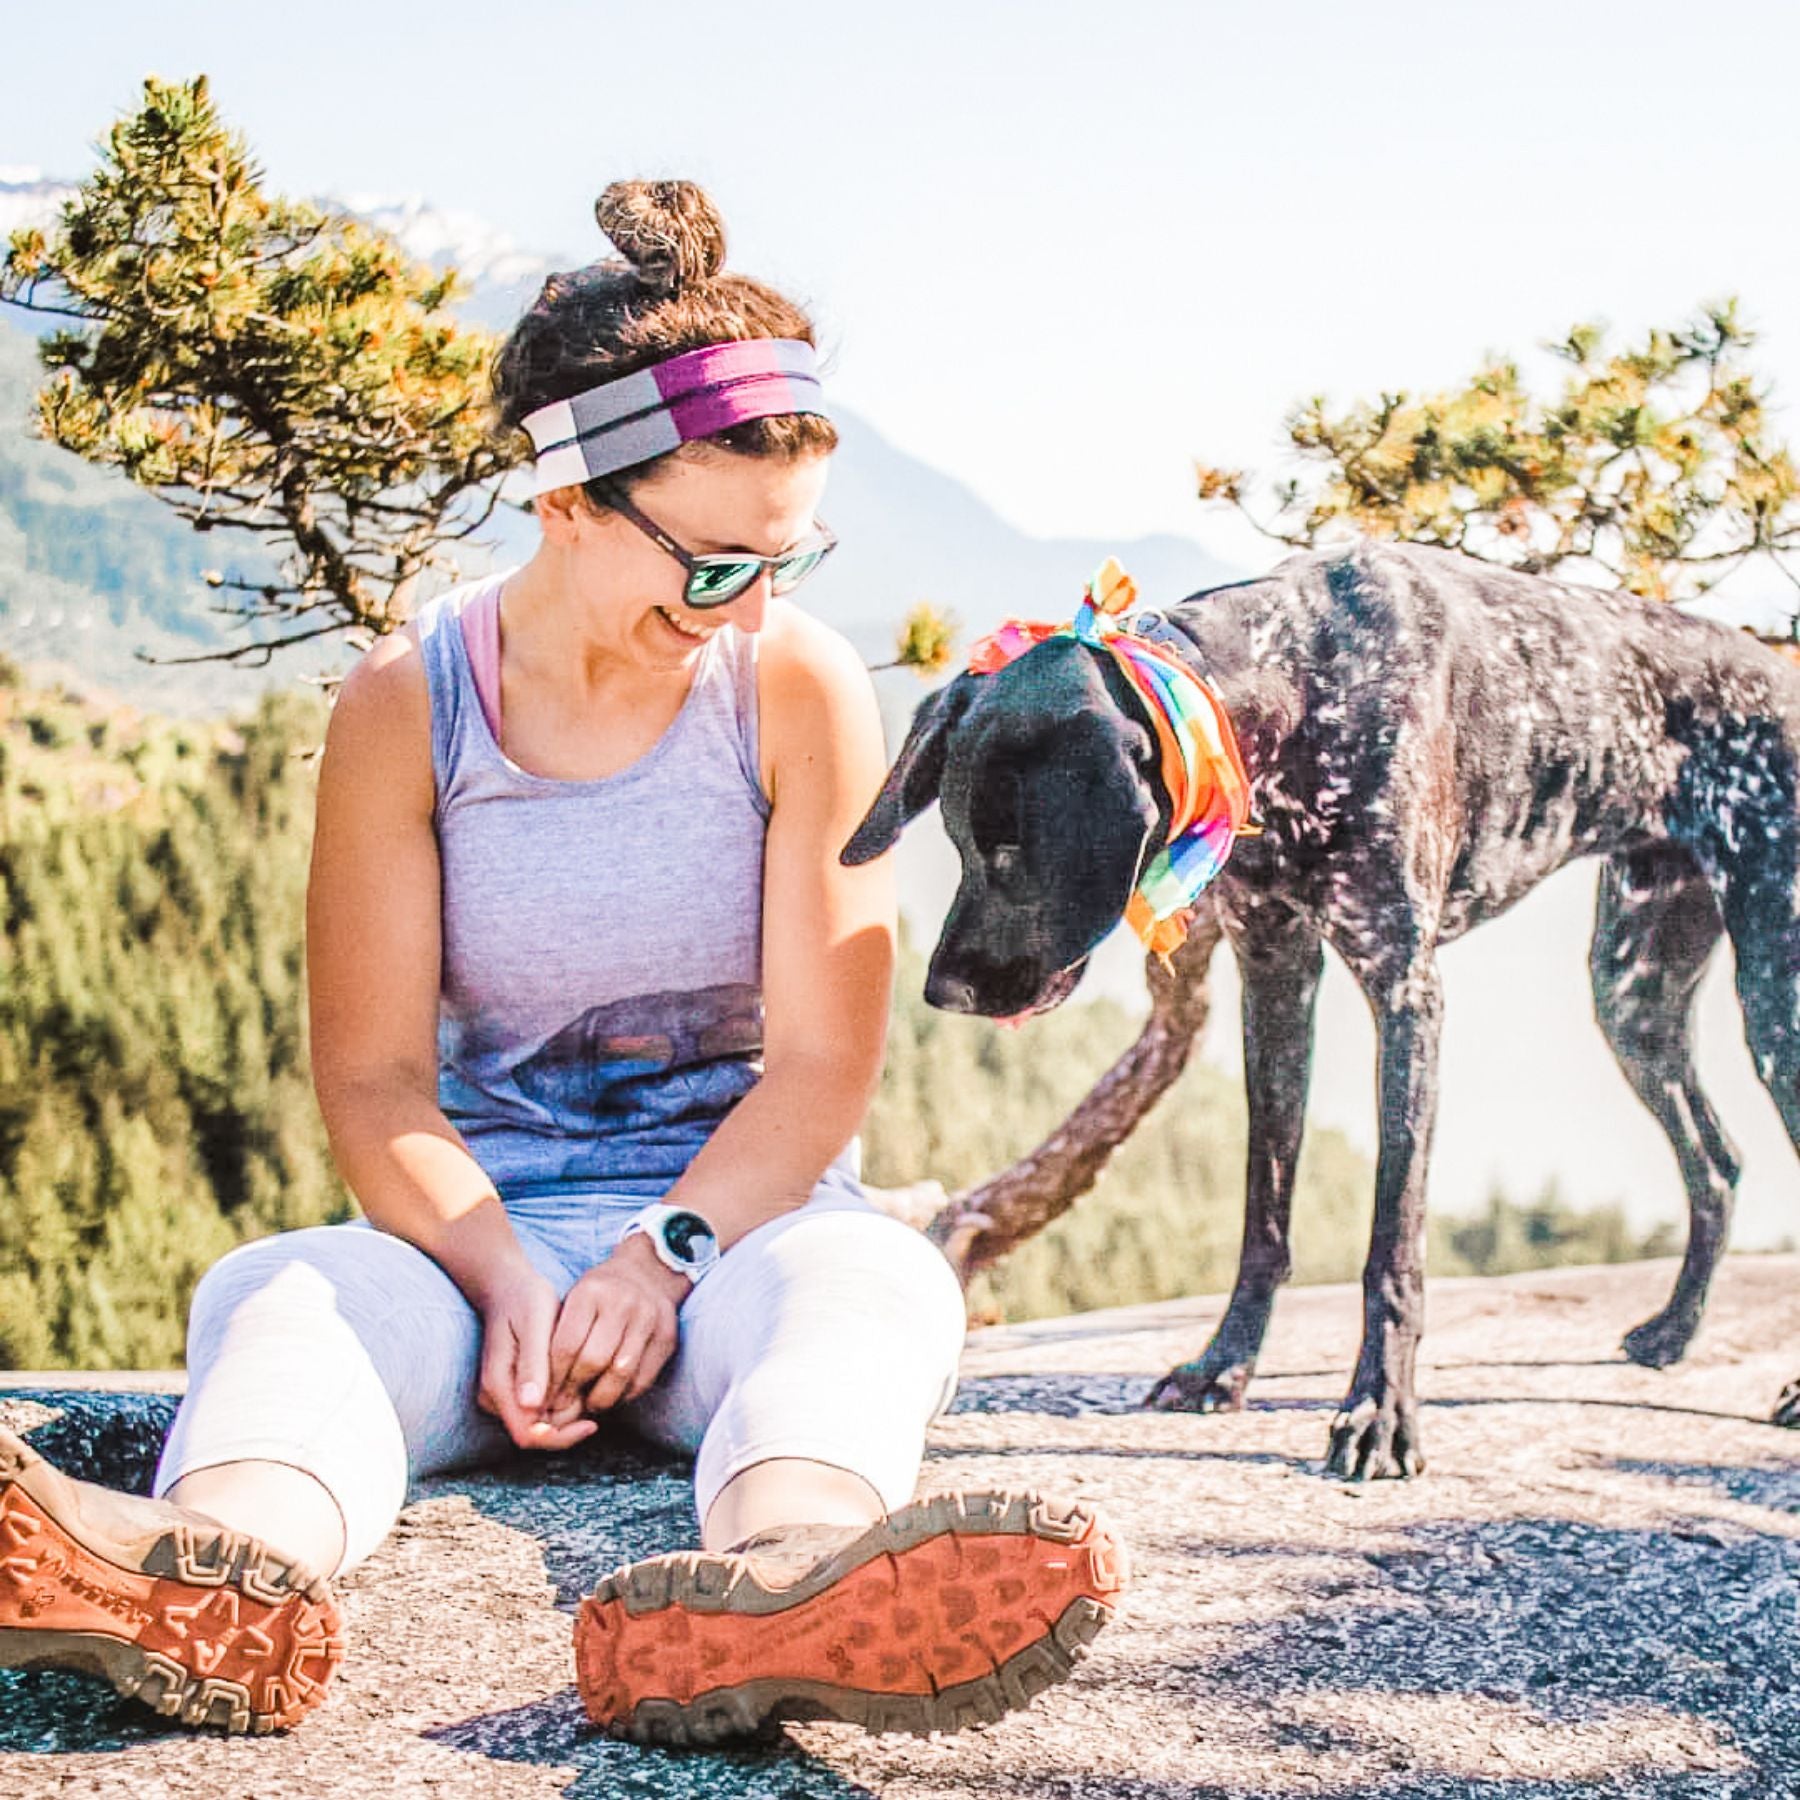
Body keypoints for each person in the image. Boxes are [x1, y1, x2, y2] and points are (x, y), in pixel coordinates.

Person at [0, 179, 1125, 1746]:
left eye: (787, 559)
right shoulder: (411, 702)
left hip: (734, 1231)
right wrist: (508, 1278)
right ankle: (214, 1580)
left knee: (876, 1286)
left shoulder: (788, 685)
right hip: (469, 1244)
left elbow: (817, 1071)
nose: (755, 605)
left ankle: (786, 1586)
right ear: (573, 500)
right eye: (716, 563)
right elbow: (378, 1080)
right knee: (282, 1293)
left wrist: (658, 1254)